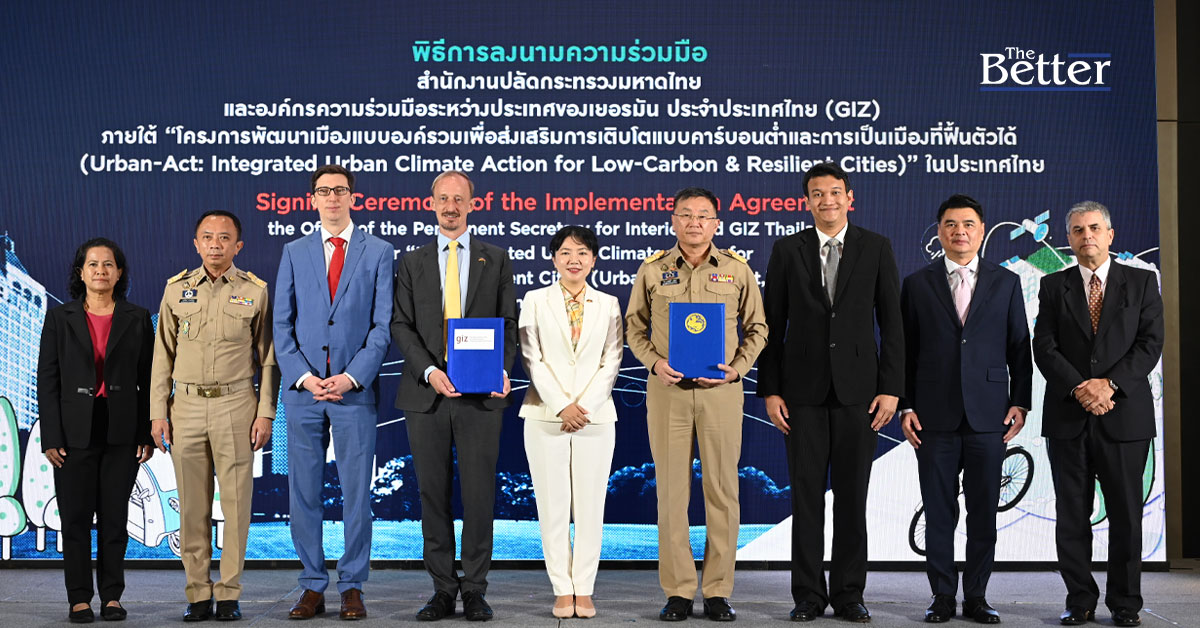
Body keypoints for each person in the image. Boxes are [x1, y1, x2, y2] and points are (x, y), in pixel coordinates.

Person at [757, 162, 903, 623]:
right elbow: (771, 324)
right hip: (801, 394)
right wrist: (770, 390)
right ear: (807, 201)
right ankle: (807, 594)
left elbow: (892, 324)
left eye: (835, 192)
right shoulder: (787, 249)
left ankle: (849, 593)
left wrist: (891, 390)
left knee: (852, 498)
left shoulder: (876, 247)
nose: (827, 200)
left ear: (849, 198)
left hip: (861, 395)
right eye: (817, 193)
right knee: (805, 499)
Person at [625, 187, 767, 623]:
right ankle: (679, 591)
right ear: (673, 220)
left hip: (720, 394)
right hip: (667, 393)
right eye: (685, 215)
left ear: (716, 223)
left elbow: (758, 328)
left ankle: (718, 590)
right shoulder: (653, 270)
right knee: (671, 495)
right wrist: (654, 363)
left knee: (722, 492)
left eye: (703, 215)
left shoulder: (737, 270)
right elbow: (634, 327)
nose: (694, 223)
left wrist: (736, 370)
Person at [898, 194, 1033, 624]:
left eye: (968, 224)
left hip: (989, 416)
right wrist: (905, 405)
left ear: (981, 230)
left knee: (983, 512)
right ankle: (941, 596)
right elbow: (904, 352)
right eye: (951, 224)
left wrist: (1021, 401)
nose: (960, 232)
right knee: (939, 512)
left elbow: (1019, 345)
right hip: (932, 416)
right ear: (939, 231)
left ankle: (976, 596)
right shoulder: (916, 284)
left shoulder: (1005, 281)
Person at [391, 170, 516, 622]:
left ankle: (476, 589)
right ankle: (443, 589)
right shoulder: (412, 262)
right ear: (431, 204)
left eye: (458, 199)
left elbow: (508, 322)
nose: (450, 206)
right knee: (432, 495)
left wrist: (502, 369)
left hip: (481, 396)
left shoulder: (495, 258)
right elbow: (400, 324)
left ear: (472, 205)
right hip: (426, 395)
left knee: (480, 496)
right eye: (443, 198)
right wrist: (429, 371)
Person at [1033, 201, 1163, 628]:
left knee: (1126, 514)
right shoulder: (1053, 285)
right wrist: (1080, 388)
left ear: (1110, 235)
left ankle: (1125, 603)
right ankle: (1079, 600)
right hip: (1069, 417)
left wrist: (1109, 385)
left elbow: (1150, 343)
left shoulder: (1141, 282)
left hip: (1124, 417)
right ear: (1068, 239)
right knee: (1072, 515)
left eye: (1093, 228)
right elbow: (1044, 346)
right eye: (1077, 230)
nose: (1085, 235)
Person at [274, 164, 394, 620]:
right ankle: (311, 584)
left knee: (356, 495)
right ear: (313, 199)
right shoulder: (294, 251)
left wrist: (351, 376)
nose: (332, 198)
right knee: (303, 492)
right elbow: (281, 324)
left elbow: (382, 326)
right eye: (324, 191)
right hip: (304, 392)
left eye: (340, 190)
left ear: (352, 197)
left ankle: (352, 585)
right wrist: (305, 377)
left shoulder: (379, 251)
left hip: (353, 392)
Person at [149, 211, 280, 621]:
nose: (215, 244)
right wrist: (158, 413)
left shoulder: (255, 291)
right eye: (207, 237)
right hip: (185, 406)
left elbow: (268, 359)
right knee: (191, 507)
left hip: (236, 405)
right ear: (196, 243)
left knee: (236, 506)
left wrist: (266, 413)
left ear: (238, 246)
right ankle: (197, 592)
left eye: (224, 238)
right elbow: (162, 356)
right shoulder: (176, 290)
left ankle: (228, 594)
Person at [37, 238, 154, 623]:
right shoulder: (60, 317)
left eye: (108, 264)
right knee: (74, 519)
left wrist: (145, 432)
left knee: (114, 519)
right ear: (81, 272)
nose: (101, 270)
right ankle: (79, 598)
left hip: (122, 428)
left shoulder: (138, 317)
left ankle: (112, 597)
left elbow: (149, 380)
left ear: (119, 273)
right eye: (93, 264)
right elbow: (47, 380)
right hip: (73, 432)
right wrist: (51, 436)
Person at [518, 226, 623, 619]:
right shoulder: (535, 300)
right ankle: (562, 589)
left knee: (591, 507)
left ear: (593, 260)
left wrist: (584, 407)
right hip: (545, 416)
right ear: (554, 259)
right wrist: (563, 405)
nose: (573, 259)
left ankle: (585, 588)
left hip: (596, 419)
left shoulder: (609, 303)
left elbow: (612, 360)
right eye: (565, 252)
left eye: (581, 252)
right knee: (553, 506)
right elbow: (531, 357)